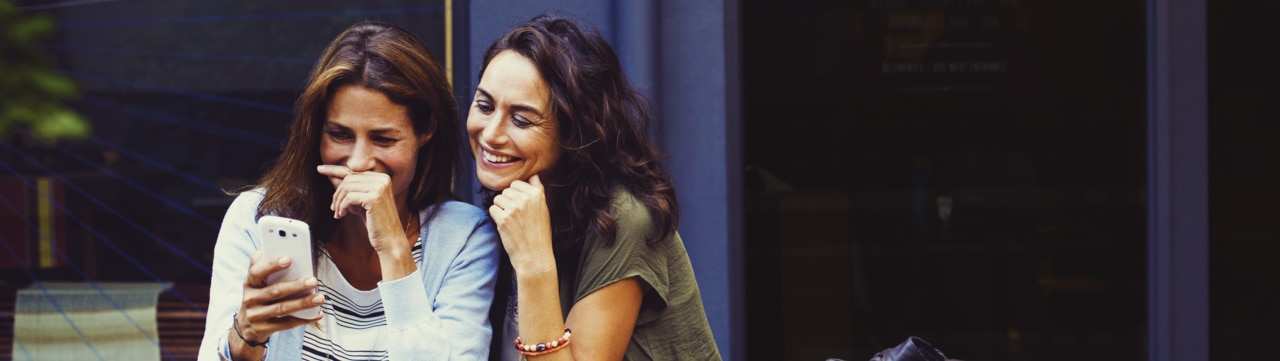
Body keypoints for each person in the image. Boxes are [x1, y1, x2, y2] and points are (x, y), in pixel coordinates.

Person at [198, 20, 500, 361]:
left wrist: (393, 250)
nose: (357, 163)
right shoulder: (258, 217)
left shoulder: (464, 237)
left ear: (425, 130)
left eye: (383, 139)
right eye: (339, 135)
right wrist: (245, 336)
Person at [468, 13, 721, 360]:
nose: (491, 134)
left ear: (574, 132)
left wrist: (534, 265)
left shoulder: (623, 220)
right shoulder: (511, 207)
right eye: (484, 105)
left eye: (522, 119)